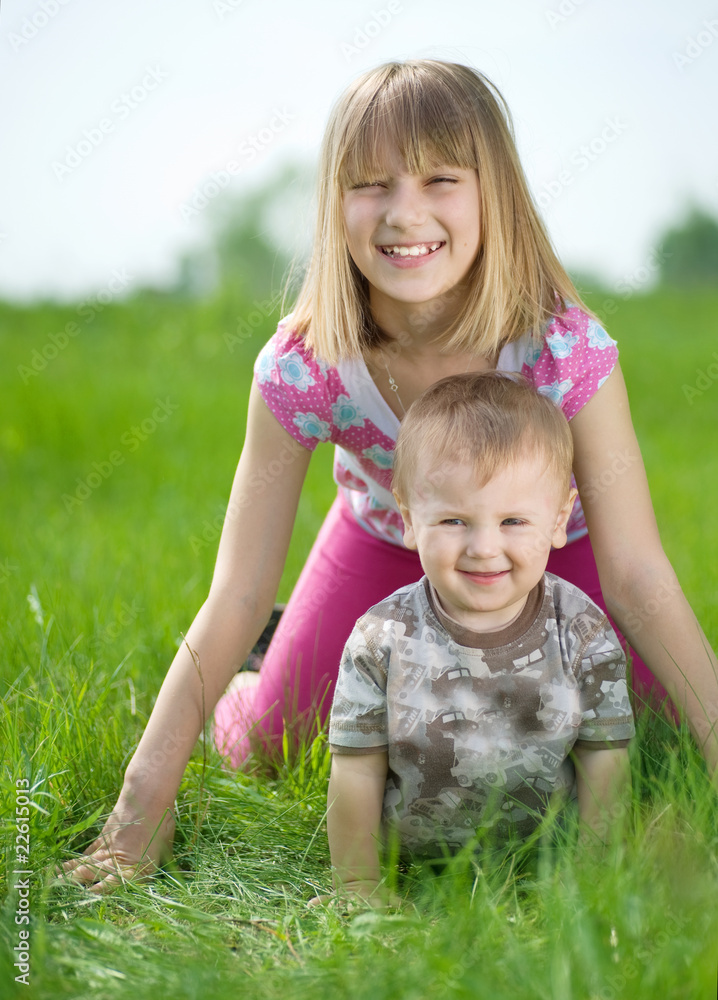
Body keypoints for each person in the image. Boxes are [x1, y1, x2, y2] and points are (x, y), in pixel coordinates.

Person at [63, 59, 717, 892]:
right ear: (336, 203)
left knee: (639, 723)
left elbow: (634, 570)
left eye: (442, 178)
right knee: (279, 741)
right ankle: (261, 665)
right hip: (384, 540)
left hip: (552, 550)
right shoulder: (306, 366)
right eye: (370, 184)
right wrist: (136, 812)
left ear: (495, 194)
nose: (405, 214)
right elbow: (235, 583)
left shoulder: (563, 349)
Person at [322, 371, 634, 906]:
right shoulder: (381, 640)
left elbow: (605, 759)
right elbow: (355, 769)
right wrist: (358, 883)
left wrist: (594, 875)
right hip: (415, 854)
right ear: (410, 521)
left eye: (513, 520)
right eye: (453, 520)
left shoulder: (581, 632)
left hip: (544, 855)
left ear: (559, 518)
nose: (485, 548)